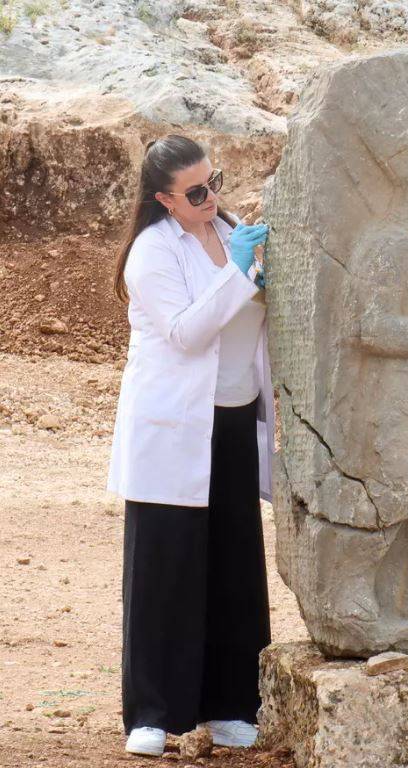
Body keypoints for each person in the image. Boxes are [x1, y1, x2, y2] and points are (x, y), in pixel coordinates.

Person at [105, 134, 276, 757]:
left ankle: (233, 705)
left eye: (216, 181)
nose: (212, 197)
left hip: (233, 420)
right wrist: (238, 273)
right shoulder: (151, 253)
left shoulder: (233, 231)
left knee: (233, 565)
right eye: (197, 192)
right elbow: (186, 331)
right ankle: (151, 712)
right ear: (164, 200)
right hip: (176, 426)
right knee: (165, 567)